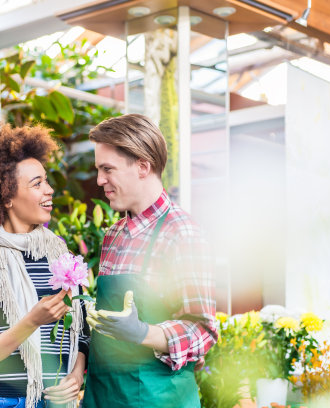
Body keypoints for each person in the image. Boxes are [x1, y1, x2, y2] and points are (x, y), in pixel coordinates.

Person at [83, 114, 218, 407]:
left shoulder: (182, 233)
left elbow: (204, 331)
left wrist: (144, 333)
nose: (99, 180)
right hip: (103, 395)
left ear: (143, 166)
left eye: (108, 169)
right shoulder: (113, 235)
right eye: (98, 169)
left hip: (158, 398)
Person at [0, 124, 89, 408]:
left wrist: (76, 376)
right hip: (6, 401)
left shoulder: (59, 254)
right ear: (6, 197)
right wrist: (31, 322)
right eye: (37, 184)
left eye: (46, 181)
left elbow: (82, 330)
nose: (49, 190)